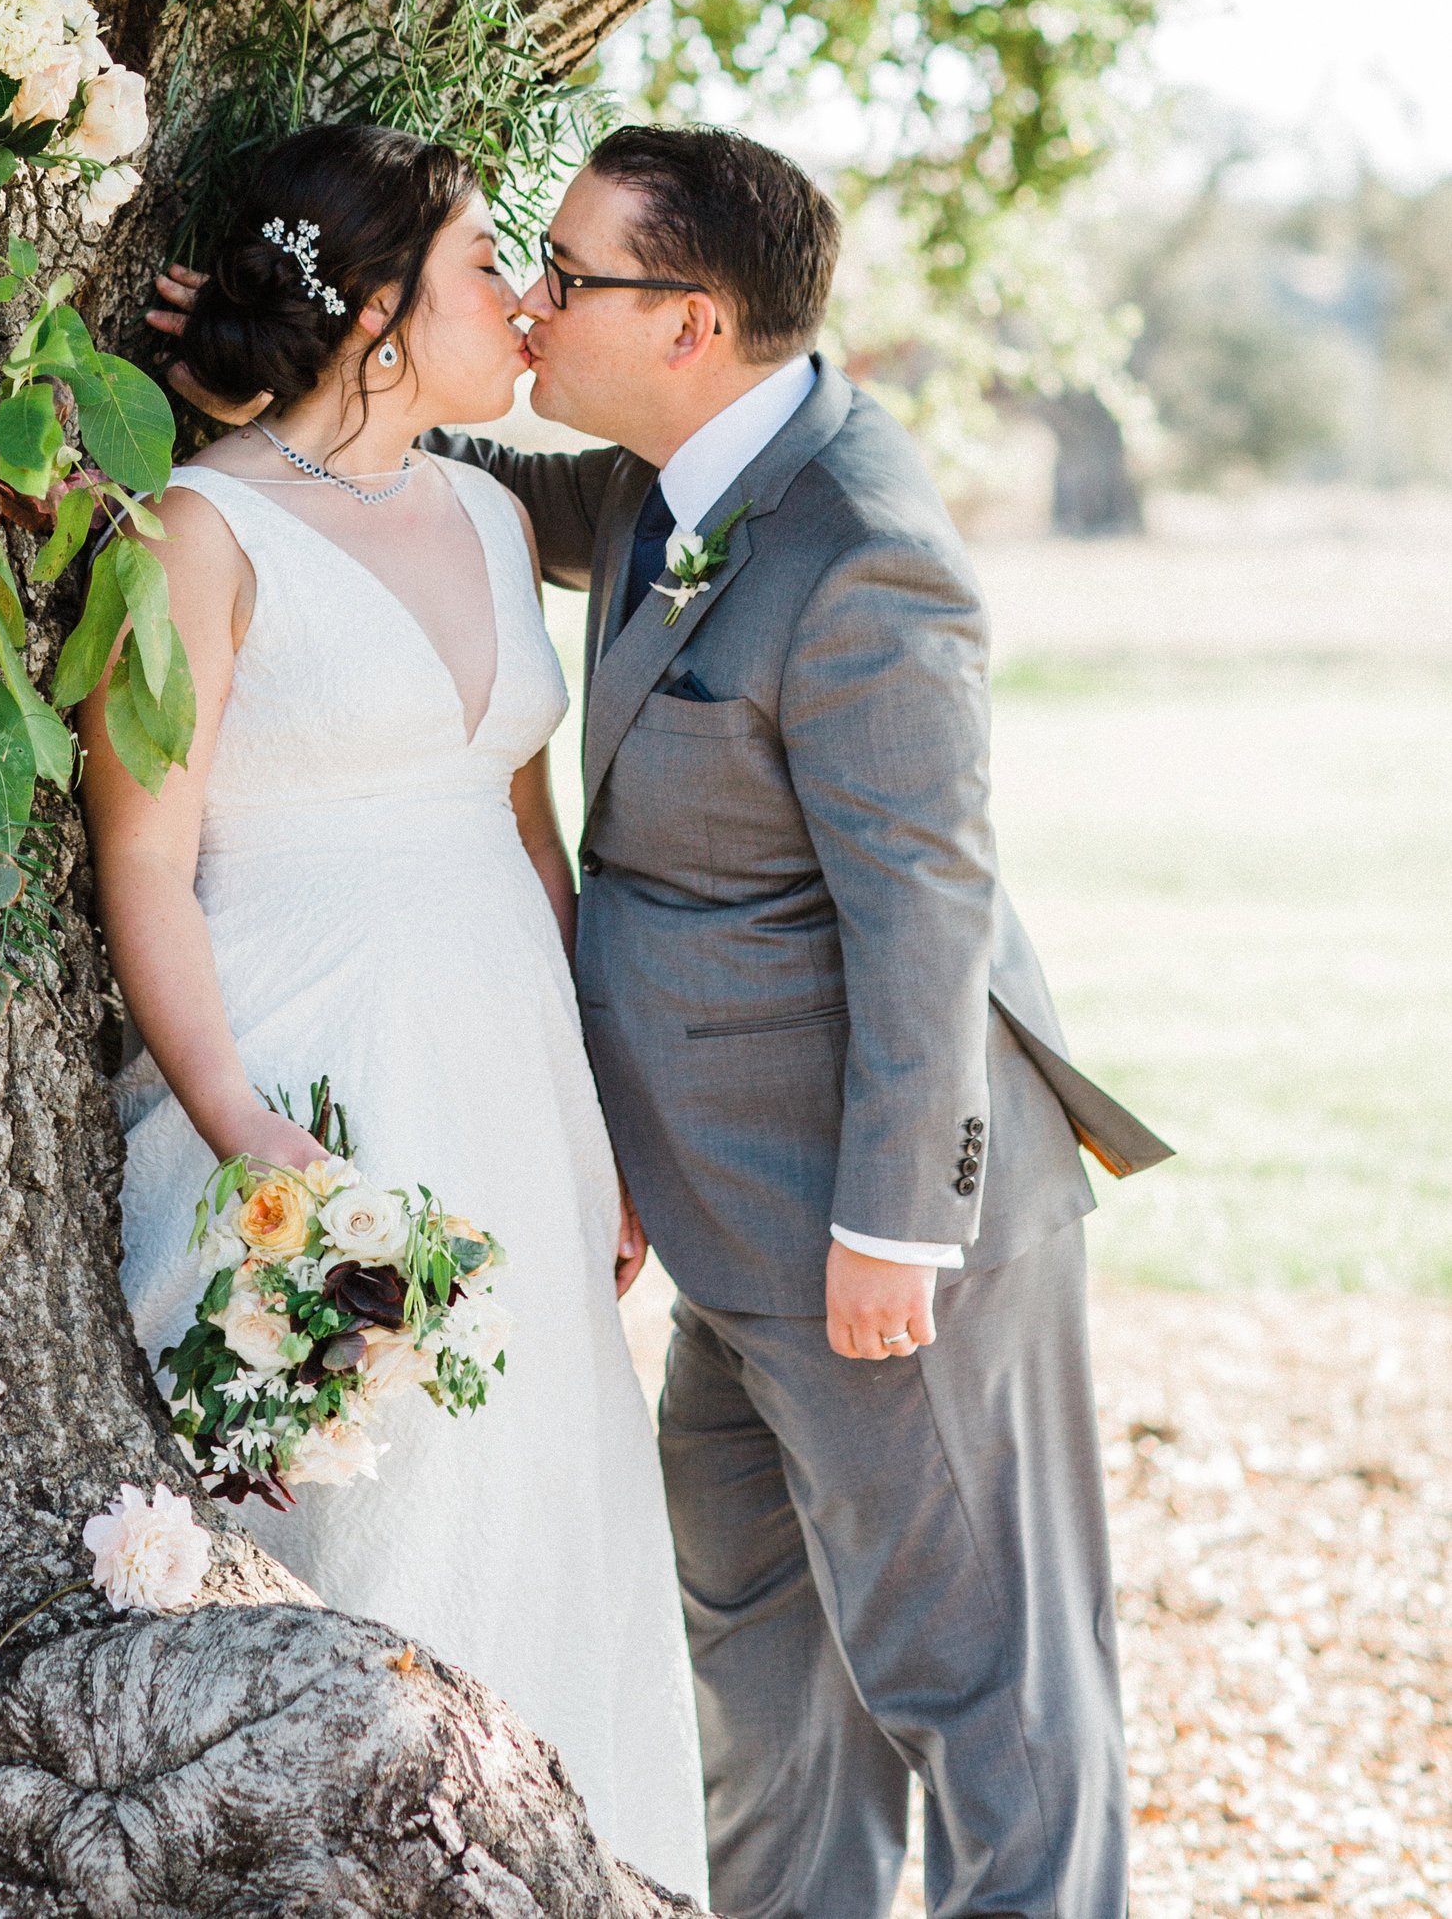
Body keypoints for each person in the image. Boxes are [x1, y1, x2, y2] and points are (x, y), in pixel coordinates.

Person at [155, 121, 1171, 1919]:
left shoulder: (860, 545)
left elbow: (929, 907)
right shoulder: (658, 481)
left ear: (688, 320)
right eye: (516, 263)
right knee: (768, 1687)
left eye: (568, 271)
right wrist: (280, 346)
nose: (536, 303)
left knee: (993, 1689)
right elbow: (399, 477)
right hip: (724, 1224)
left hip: (881, 1227)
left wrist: (893, 1222)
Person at [86, 121, 707, 1891]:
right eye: (482, 266)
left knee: (547, 1509)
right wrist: (243, 1132)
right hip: (307, 1087)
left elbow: (536, 837)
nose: (522, 298)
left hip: (511, 1078)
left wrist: (604, 1119)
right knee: (366, 1526)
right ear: (375, 315)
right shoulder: (197, 532)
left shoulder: (503, 514)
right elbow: (145, 858)